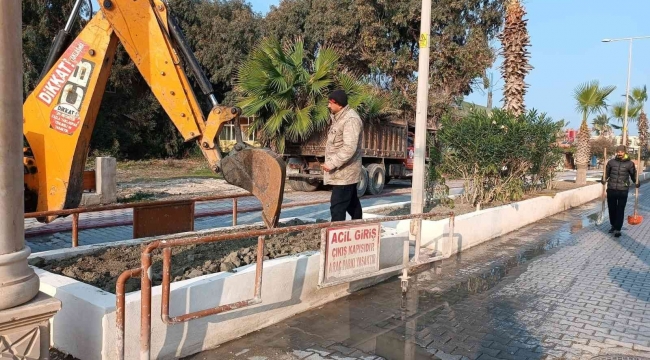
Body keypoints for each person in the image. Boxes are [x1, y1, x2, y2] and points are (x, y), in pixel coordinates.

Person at [321, 89, 363, 221]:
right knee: (351, 203)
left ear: (338, 104)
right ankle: (359, 227)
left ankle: (336, 236)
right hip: (343, 172)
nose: (328, 106)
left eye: (330, 103)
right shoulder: (340, 118)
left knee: (337, 207)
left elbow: (349, 148)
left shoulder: (350, 120)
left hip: (345, 173)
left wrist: (332, 163)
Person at [602, 145, 639, 237]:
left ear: (625, 152)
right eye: (618, 152)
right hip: (611, 189)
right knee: (612, 208)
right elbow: (606, 174)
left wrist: (636, 182)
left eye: (621, 152)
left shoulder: (630, 164)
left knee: (620, 209)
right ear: (616, 152)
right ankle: (613, 225)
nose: (620, 153)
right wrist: (603, 179)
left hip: (623, 190)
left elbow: (633, 175)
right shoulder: (611, 162)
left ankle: (618, 228)